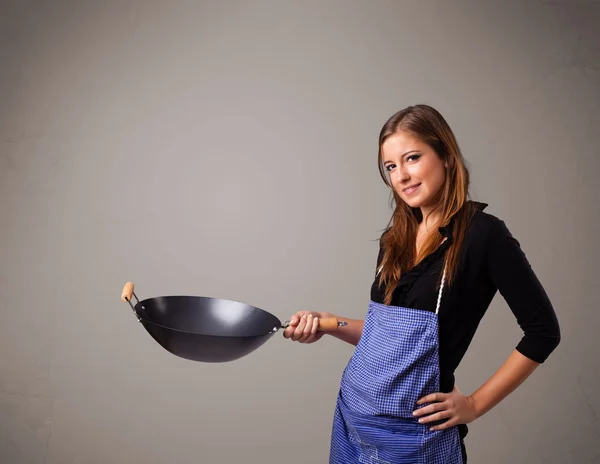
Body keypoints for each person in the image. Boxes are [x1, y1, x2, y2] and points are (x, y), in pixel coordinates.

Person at [283, 104, 561, 463]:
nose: (401, 176)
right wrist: (328, 322)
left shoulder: (483, 235)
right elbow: (391, 338)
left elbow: (544, 332)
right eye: (391, 166)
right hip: (354, 421)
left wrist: (473, 405)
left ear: (445, 155)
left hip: (415, 435)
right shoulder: (394, 239)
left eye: (412, 158)